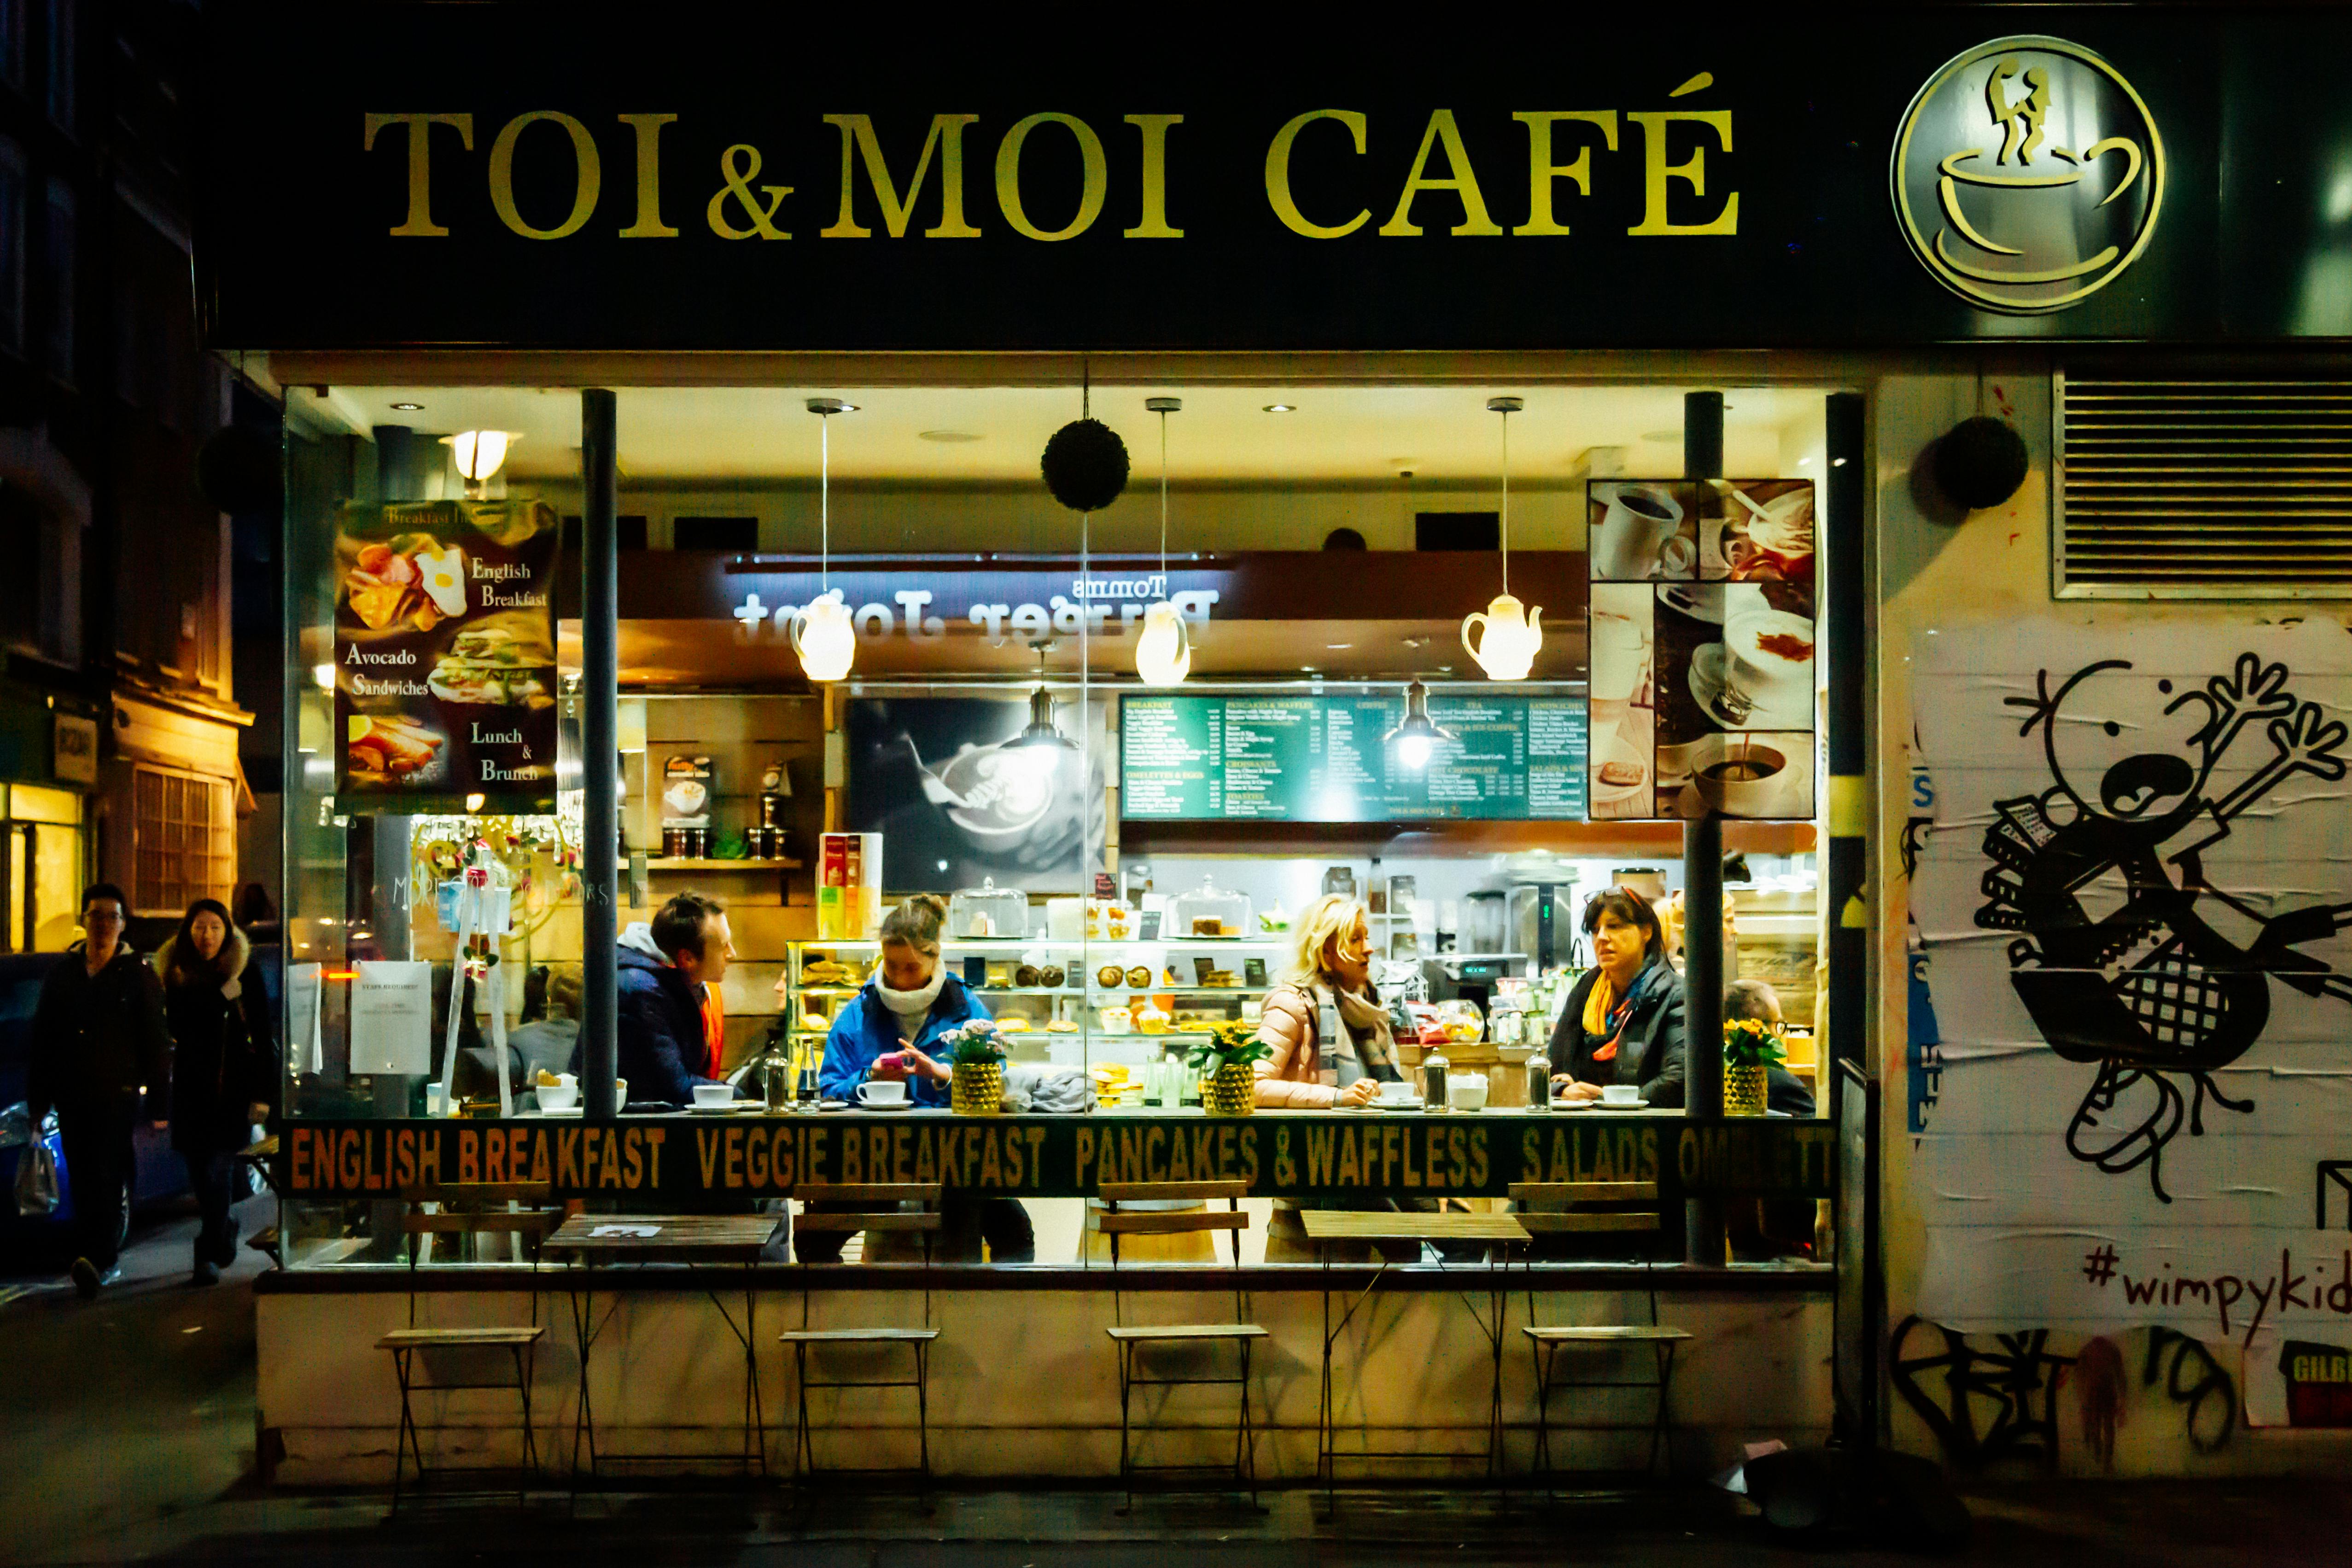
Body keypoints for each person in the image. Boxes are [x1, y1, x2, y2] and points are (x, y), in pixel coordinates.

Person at [803, 895, 1033, 1262]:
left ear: (934, 956)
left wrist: (943, 1075)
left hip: (957, 1158)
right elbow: (827, 1090)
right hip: (873, 1159)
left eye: (910, 967)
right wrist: (868, 1078)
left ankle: (987, 1310)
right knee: (814, 1236)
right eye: (890, 965)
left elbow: (997, 1082)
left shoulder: (966, 1008)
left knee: (1015, 1231)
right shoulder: (858, 1011)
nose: (898, 977)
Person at [26, 885, 173, 1298]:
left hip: (117, 1093)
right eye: (96, 915)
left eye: (112, 916)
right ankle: (91, 1252)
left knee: (109, 1170)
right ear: (84, 919)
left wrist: (160, 1101)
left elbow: (156, 1041)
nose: (104, 924)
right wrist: (38, 1100)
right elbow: (44, 1039)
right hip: (72, 1093)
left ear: (124, 924)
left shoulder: (137, 975)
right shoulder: (64, 973)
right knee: (84, 1173)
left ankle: (103, 1258)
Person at [156, 898, 276, 1286]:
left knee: (218, 1170)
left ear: (227, 931)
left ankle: (206, 1254)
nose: (206, 935)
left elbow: (261, 1035)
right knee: (198, 1172)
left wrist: (262, 1094)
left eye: (214, 927)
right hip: (191, 1092)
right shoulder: (175, 976)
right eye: (198, 927)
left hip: (231, 1091)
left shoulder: (244, 973)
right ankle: (223, 1225)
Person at [572, 891, 734, 1106]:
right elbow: (676, 1087)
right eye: (724, 945)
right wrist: (746, 1096)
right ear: (687, 958)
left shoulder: (682, 984)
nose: (732, 954)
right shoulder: (641, 992)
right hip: (624, 1131)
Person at [1549, 886, 1688, 1108]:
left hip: (1650, 1132)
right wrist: (1562, 1090)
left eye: (1614, 926)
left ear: (1647, 932)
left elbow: (1680, 1081)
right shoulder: (1585, 991)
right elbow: (1551, 1069)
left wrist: (1606, 1099)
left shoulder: (1677, 994)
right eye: (1595, 930)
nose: (1602, 937)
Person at [1250, 895, 1390, 1108]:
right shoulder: (1291, 1003)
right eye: (1355, 939)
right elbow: (1253, 1086)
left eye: (1367, 937)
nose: (1369, 948)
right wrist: (1336, 1097)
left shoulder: (1366, 1007)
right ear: (1324, 950)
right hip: (1310, 1137)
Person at [1724, 978, 1817, 1117]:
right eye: (1778, 1024)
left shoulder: (1702, 1077)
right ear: (1758, 1029)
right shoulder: (1784, 1087)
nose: (1780, 1035)